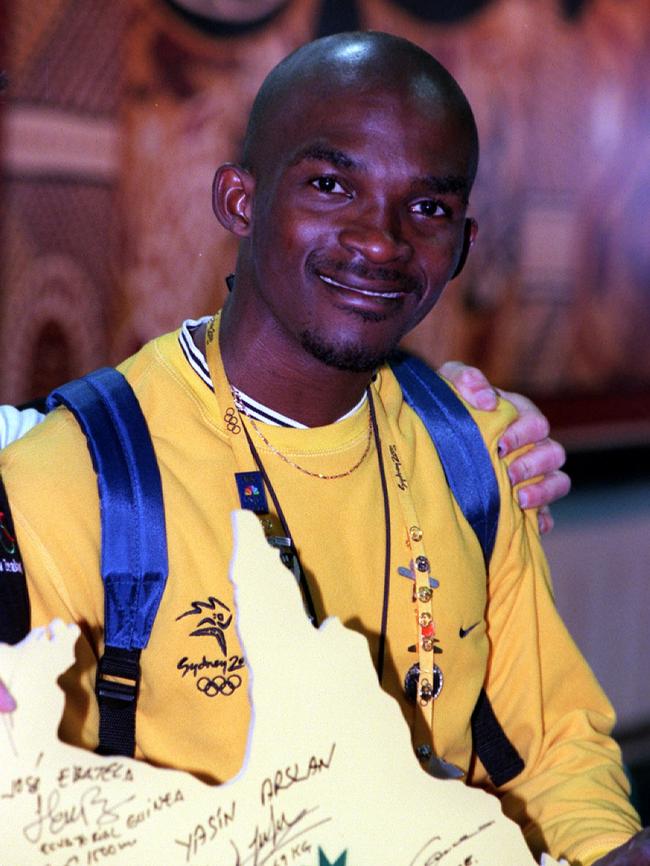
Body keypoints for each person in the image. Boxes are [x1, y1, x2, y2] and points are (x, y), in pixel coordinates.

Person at [0, 30, 645, 865]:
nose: (382, 240)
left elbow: (558, 748)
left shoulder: (474, 452)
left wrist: (608, 848)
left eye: (429, 208)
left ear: (463, 246)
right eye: (333, 185)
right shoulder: (69, 479)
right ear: (240, 199)